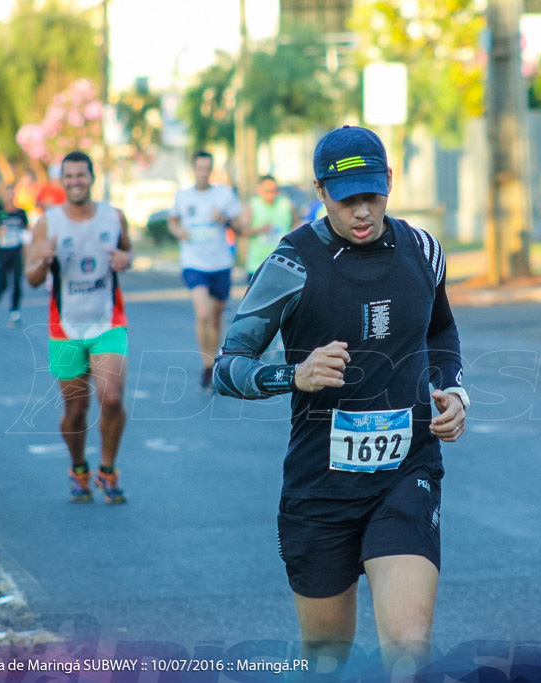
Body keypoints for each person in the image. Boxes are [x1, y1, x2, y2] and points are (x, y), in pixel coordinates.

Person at [215, 125, 469, 676]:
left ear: (389, 185)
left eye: (372, 196)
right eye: (346, 198)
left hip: (407, 472)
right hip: (319, 489)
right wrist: (295, 374)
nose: (362, 211)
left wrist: (453, 390)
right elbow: (227, 368)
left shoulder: (423, 250)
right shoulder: (290, 263)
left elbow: (441, 333)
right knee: (328, 660)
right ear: (320, 191)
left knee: (408, 646)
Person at [26, 151, 133, 504]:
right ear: (62, 181)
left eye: (81, 175)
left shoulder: (113, 217)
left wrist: (124, 260)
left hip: (108, 322)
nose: (75, 182)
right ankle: (78, 467)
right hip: (66, 327)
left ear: (91, 178)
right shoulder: (48, 223)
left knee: (112, 398)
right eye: (68, 176)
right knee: (75, 411)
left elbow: (126, 253)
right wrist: (43, 259)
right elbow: (32, 277)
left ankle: (107, 469)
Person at [168, 151, 245, 392]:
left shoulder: (223, 194)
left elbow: (241, 227)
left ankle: (213, 361)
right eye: (199, 168)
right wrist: (179, 231)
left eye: (207, 168)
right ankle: (207, 364)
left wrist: (223, 218)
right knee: (203, 313)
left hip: (220, 263)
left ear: (212, 170)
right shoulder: (183, 196)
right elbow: (173, 221)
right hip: (194, 262)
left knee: (215, 316)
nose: (203, 172)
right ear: (193, 169)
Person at [0, 183, 30, 326]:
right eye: (8, 193)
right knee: (3, 280)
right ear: (4, 195)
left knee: (17, 281)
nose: (10, 197)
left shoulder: (20, 213)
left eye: (13, 194)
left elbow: (27, 230)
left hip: (16, 251)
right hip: (1, 251)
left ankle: (15, 311)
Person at [244, 174, 299, 281]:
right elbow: (243, 231)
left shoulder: (285, 203)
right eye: (268, 191)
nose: (272, 194)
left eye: (274, 190)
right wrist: (260, 230)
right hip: (257, 265)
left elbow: (297, 222)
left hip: (283, 263)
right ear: (259, 190)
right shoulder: (253, 205)